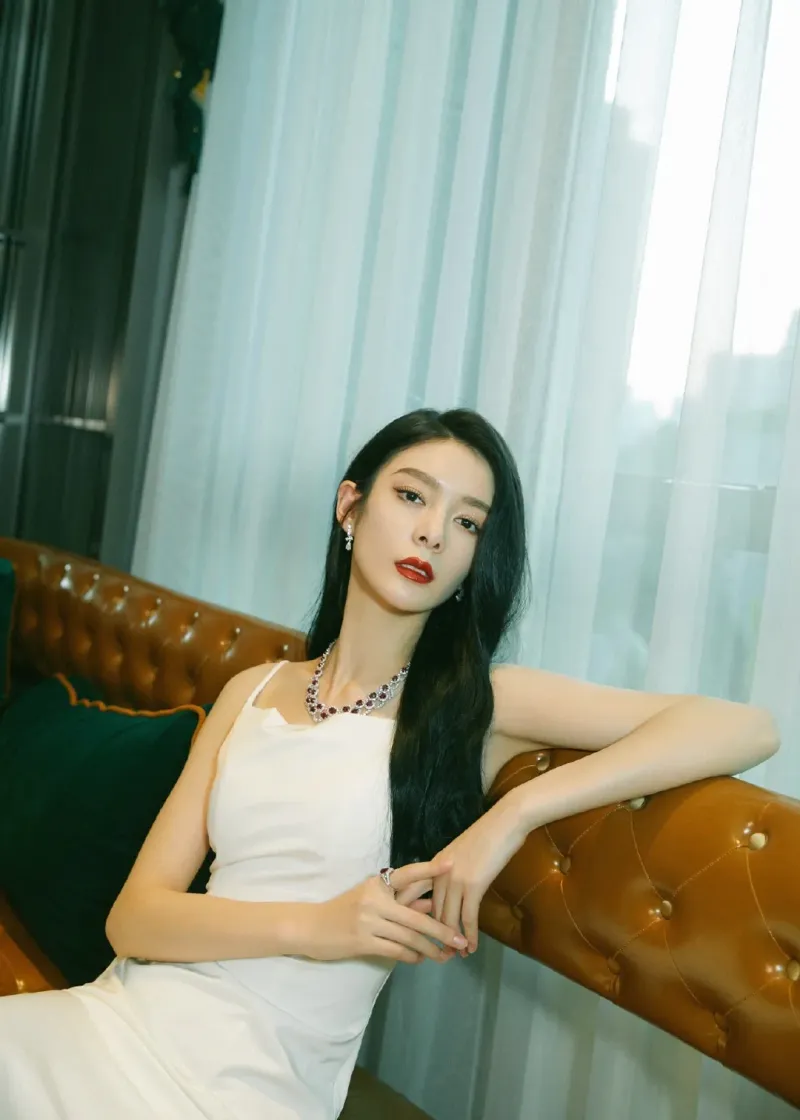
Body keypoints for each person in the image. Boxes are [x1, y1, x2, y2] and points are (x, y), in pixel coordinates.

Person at [0, 408, 779, 1118]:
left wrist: (513, 814)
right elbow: (134, 918)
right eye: (412, 496)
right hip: (114, 1019)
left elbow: (744, 727)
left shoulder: (480, 704)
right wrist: (318, 925)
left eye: (467, 522)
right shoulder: (253, 691)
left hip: (246, 1089)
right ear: (350, 507)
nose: (434, 533)